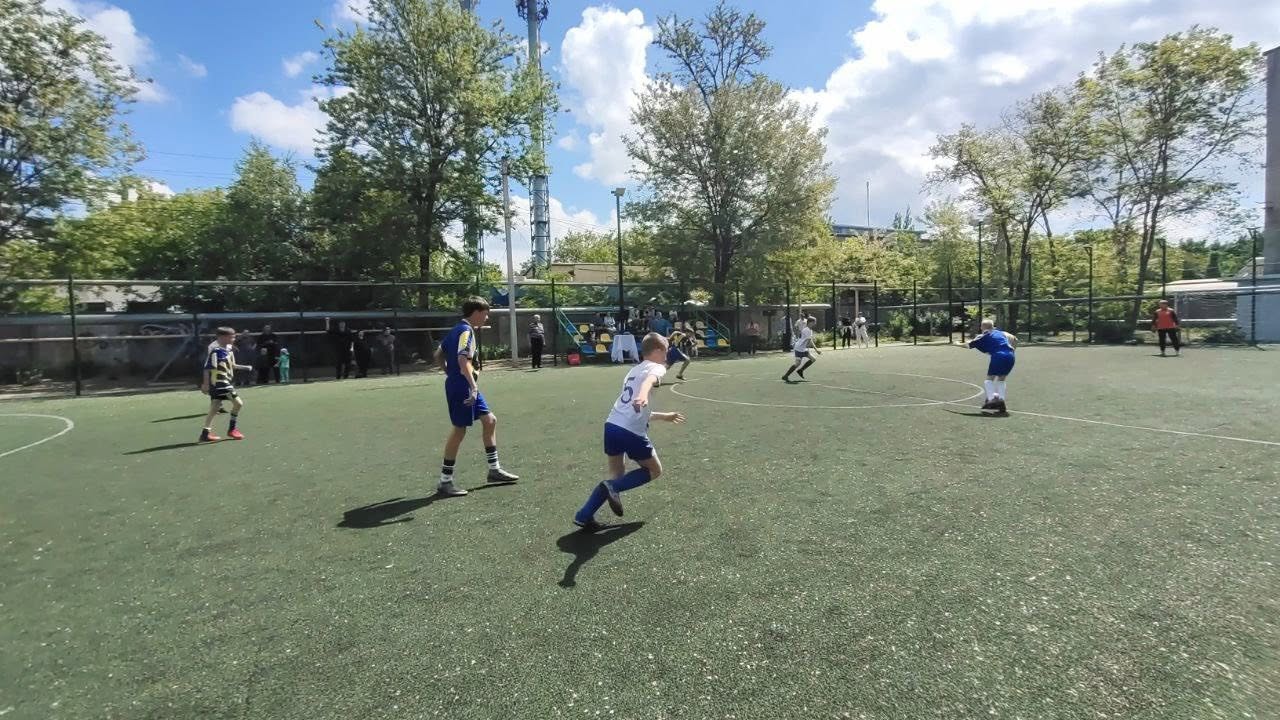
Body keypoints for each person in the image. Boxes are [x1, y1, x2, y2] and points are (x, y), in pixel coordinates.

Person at [572, 332, 686, 530]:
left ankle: (584, 515)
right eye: (666, 351)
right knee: (654, 470)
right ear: (658, 350)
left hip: (612, 425)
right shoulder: (657, 368)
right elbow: (649, 381)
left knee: (617, 474)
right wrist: (643, 394)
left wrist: (664, 416)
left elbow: (634, 409)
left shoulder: (633, 371)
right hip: (630, 431)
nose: (666, 356)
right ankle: (613, 488)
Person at [434, 297, 519, 496]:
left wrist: (449, 374)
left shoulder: (456, 329)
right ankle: (445, 481)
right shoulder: (466, 331)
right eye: (485, 313)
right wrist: (471, 386)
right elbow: (462, 360)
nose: (486, 317)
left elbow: (438, 354)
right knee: (459, 430)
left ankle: (494, 470)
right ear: (476, 312)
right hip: (463, 386)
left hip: (461, 383)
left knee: (490, 421)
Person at [199, 327, 253, 442]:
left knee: (214, 408)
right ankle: (232, 429)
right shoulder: (216, 352)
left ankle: (205, 433)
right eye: (231, 337)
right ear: (222, 338)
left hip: (222, 383)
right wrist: (205, 384)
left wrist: (245, 367)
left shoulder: (228, 351)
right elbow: (207, 368)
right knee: (238, 403)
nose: (234, 339)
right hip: (221, 383)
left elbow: (232, 365)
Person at [962, 318, 1017, 413]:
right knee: (1001, 379)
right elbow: (1015, 339)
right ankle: (1001, 401)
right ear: (993, 326)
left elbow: (968, 345)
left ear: (982, 327)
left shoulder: (983, 335)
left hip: (998, 356)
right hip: (1011, 355)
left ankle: (991, 400)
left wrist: (957, 344)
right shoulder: (1001, 333)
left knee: (989, 380)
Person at [782, 317, 822, 382]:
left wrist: (814, 349)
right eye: (814, 322)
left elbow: (809, 340)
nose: (815, 323)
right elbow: (809, 341)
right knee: (797, 364)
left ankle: (800, 370)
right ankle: (786, 376)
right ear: (810, 322)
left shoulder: (809, 330)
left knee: (813, 359)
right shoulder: (807, 330)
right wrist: (816, 350)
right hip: (799, 348)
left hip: (803, 348)